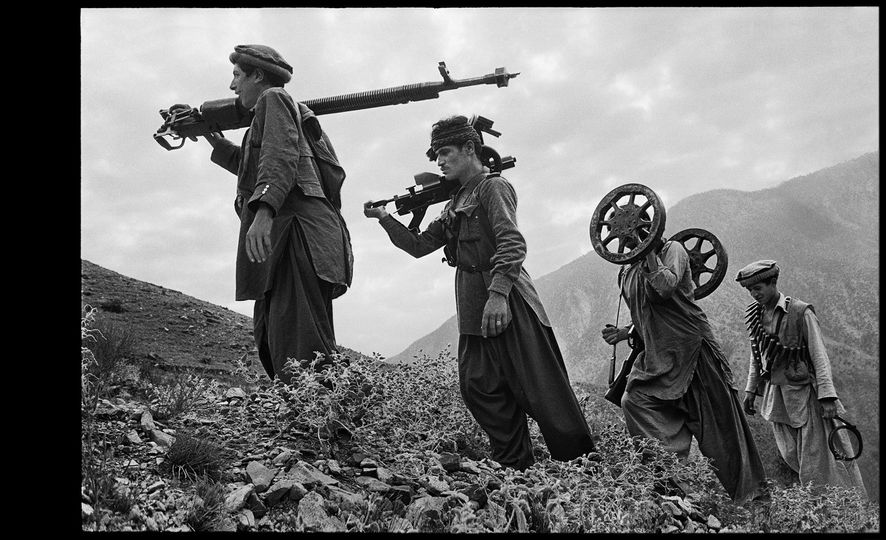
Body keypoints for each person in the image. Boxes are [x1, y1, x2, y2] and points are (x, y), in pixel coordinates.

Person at [363, 115, 594, 470]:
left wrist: (498, 294)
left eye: (445, 152)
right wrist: (384, 218)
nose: (440, 162)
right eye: (437, 155)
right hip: (472, 303)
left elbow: (512, 243)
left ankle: (583, 467)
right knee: (478, 386)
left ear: (470, 148)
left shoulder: (493, 187)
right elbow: (419, 246)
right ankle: (515, 464)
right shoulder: (454, 202)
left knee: (543, 389)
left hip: (509, 298)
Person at [171, 44, 353, 384]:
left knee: (299, 339)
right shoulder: (272, 113)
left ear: (257, 75)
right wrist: (209, 135)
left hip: (297, 231)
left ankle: (322, 406)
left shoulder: (274, 98)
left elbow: (280, 155)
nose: (232, 85)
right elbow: (253, 165)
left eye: (237, 76)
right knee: (275, 333)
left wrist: (264, 210)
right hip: (292, 235)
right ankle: (311, 403)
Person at [601, 239, 766, 502]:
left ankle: (754, 501)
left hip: (693, 351)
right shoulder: (627, 271)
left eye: (636, 231)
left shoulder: (673, 250)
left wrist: (649, 253)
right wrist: (625, 332)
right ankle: (670, 482)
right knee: (634, 400)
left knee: (722, 430)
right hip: (658, 357)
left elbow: (665, 288)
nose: (628, 237)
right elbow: (645, 311)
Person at [736, 260, 866, 494]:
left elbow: (819, 355)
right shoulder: (758, 314)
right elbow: (757, 355)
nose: (754, 294)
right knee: (791, 455)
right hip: (776, 400)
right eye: (750, 290)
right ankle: (818, 501)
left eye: (758, 288)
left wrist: (827, 396)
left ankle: (835, 504)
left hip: (805, 398)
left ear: (773, 282)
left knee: (817, 462)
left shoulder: (800, 312)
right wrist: (750, 389)